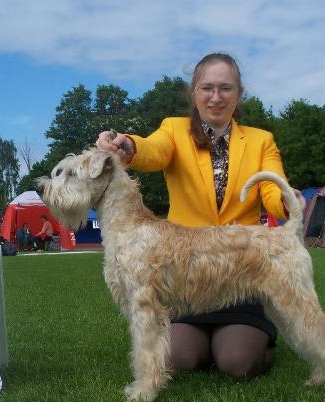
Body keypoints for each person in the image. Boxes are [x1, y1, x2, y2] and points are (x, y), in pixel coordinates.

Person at [96, 52, 304, 380]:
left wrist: (286, 199)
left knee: (237, 362)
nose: (216, 97)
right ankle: (205, 342)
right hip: (187, 273)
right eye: (207, 88)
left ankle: (249, 339)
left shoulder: (262, 141)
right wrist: (129, 146)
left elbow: (269, 189)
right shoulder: (174, 130)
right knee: (177, 358)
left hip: (240, 266)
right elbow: (152, 150)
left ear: (239, 93)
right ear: (194, 93)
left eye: (226, 88)